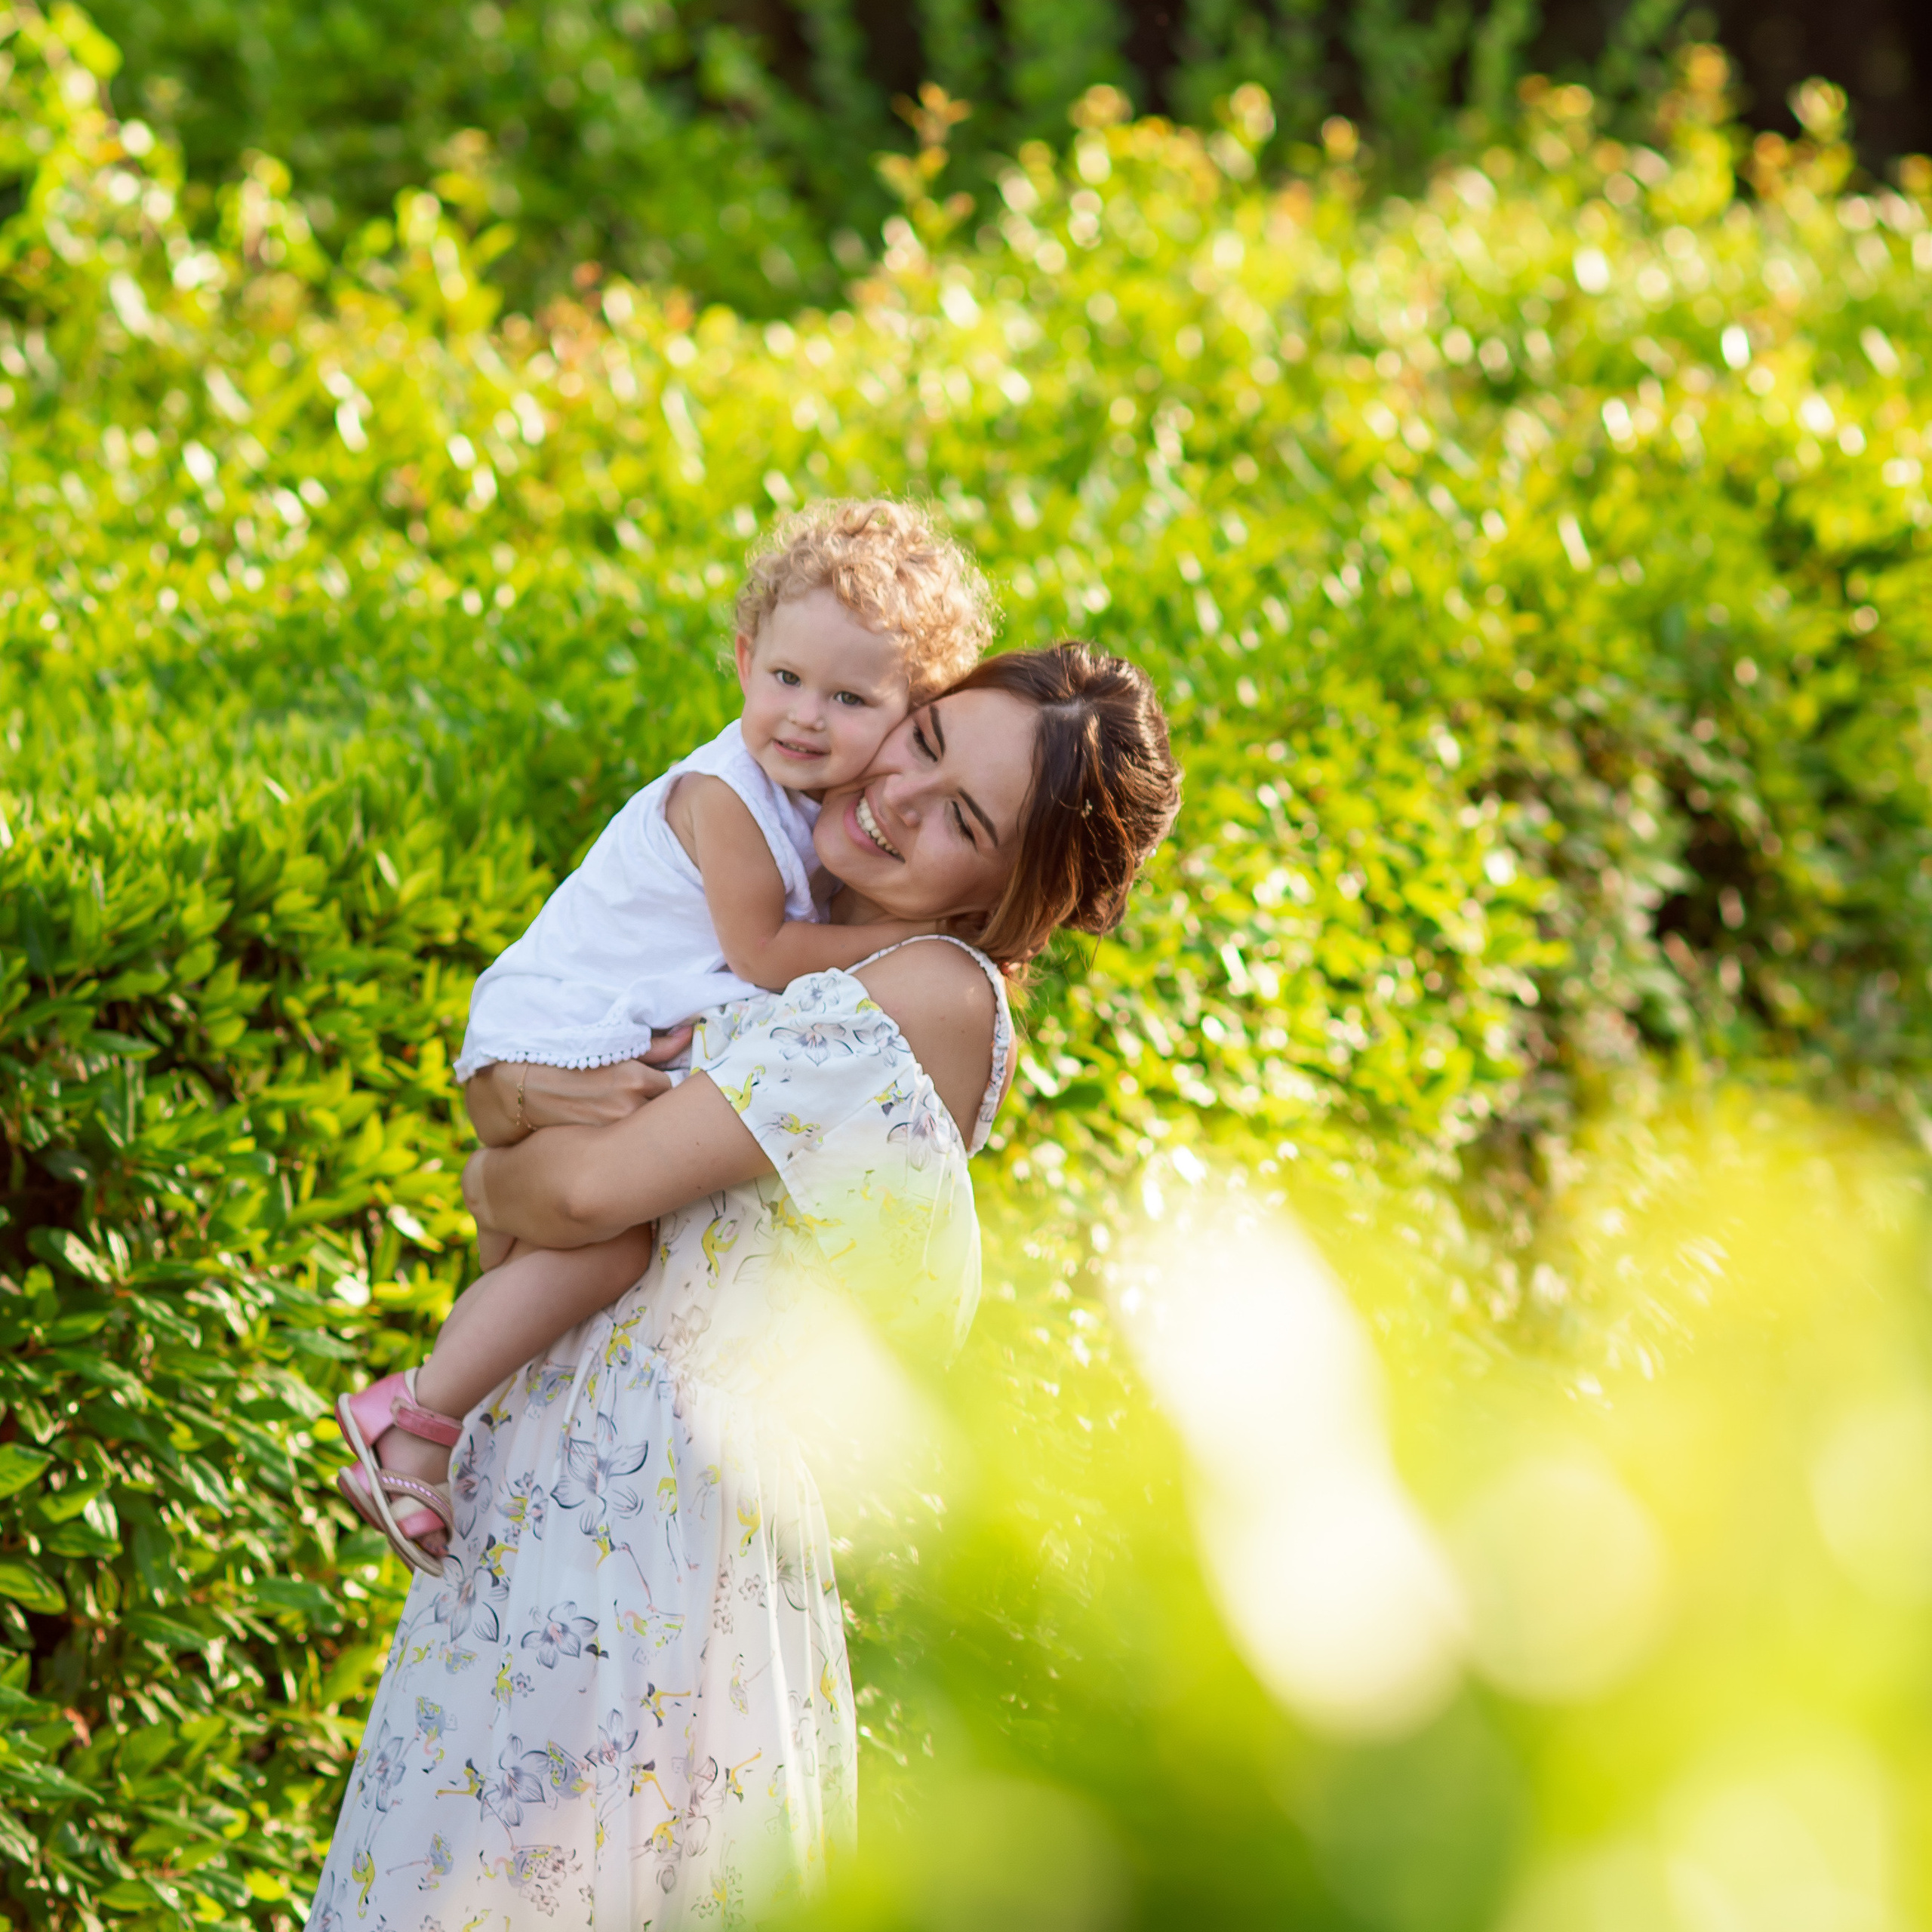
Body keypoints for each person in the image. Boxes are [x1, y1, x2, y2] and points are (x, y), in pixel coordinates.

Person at [304, 643, 1180, 1930]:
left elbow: (582, 1197)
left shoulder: (931, 991)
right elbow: (538, 1144)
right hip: (554, 1502)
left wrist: (505, 1162)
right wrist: (520, 1128)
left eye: (965, 823)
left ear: (1017, 891)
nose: (899, 797)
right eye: (926, 743)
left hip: (663, 1538)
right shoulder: (785, 947)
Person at [333, 500, 993, 1572]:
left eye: (850, 698)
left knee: (542, 1261)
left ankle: (447, 1432)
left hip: (593, 1028)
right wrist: (918, 934)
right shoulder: (726, 794)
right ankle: (413, 1413)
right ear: (742, 659)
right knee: (604, 1247)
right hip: (569, 1027)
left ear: (906, 710)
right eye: (783, 680)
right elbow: (772, 954)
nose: (805, 717)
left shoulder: (804, 804)